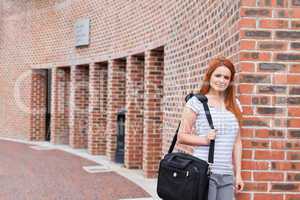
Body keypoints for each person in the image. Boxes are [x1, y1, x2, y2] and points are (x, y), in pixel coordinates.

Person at [177, 57, 244, 200]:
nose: (222, 80)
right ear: (209, 76)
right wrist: (205, 139)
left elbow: (237, 142)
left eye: (226, 77)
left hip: (227, 174)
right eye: (218, 75)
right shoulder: (196, 102)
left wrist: (238, 174)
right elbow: (181, 136)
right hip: (204, 171)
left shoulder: (235, 104)